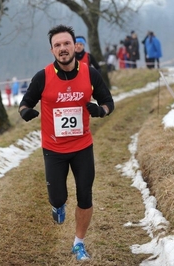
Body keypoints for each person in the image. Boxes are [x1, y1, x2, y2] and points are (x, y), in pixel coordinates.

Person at [18, 24, 114, 261]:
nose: (63, 48)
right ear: (52, 51)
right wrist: (26, 112)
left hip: (82, 146)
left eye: (66, 44)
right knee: (58, 197)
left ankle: (78, 243)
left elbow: (108, 102)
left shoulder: (90, 73)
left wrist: (99, 111)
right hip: (54, 149)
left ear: (75, 46)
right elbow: (24, 103)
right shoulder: (42, 77)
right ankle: (57, 205)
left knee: (85, 195)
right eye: (57, 45)